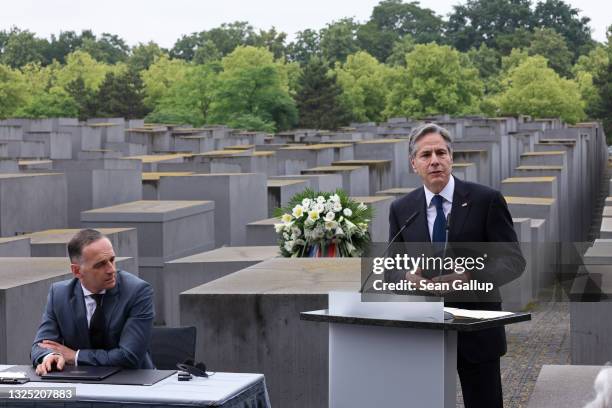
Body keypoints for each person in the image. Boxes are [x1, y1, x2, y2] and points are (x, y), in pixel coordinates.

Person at [387, 123, 526, 408]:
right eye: (425, 155)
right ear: (414, 163)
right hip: (423, 332)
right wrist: (407, 276)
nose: (434, 160)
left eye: (441, 152)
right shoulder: (401, 209)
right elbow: (390, 267)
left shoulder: (486, 200)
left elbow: (513, 260)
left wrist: (470, 276)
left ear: (452, 157)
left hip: (477, 330)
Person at [31, 229, 154, 374]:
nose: (111, 269)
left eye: (112, 260)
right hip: (79, 382)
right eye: (100, 265)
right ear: (77, 271)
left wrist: (74, 356)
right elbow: (41, 345)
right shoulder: (59, 294)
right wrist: (51, 356)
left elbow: (129, 356)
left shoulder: (137, 292)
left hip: (132, 383)